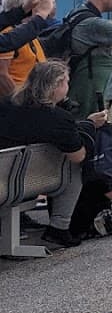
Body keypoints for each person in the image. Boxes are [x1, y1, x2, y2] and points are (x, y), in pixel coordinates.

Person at [0, 60, 95, 247]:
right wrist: (89, 128)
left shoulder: (5, 105)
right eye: (67, 82)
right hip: (26, 184)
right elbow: (79, 156)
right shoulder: (58, 119)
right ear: (56, 85)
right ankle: (59, 227)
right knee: (72, 166)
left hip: (4, 179)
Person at [0, 0, 49, 98]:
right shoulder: (13, 32)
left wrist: (23, 9)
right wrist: (40, 17)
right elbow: (7, 42)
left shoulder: (27, 33)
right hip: (17, 104)